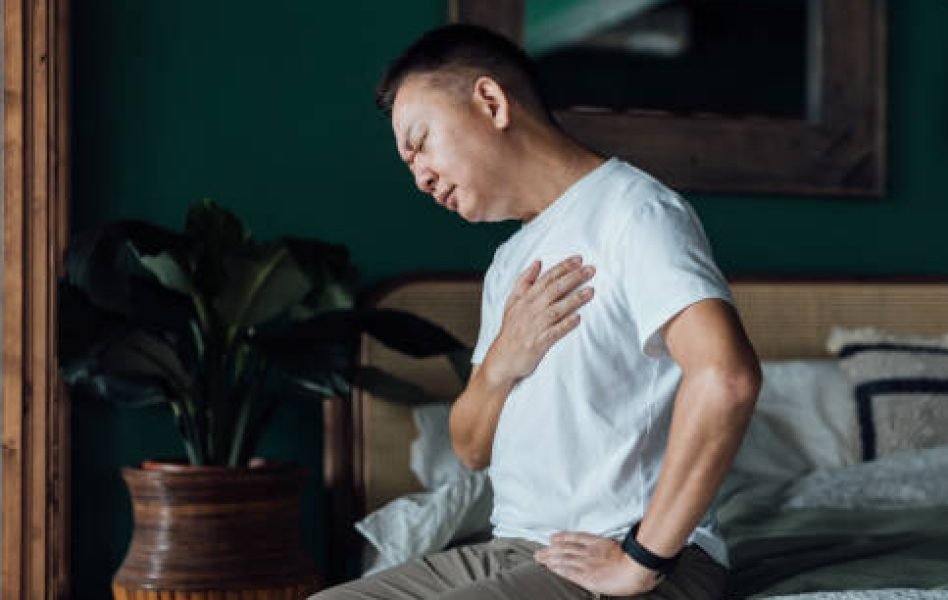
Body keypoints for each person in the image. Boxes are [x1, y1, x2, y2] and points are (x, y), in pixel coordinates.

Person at [312, 23, 761, 600]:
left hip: (634, 552)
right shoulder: (510, 262)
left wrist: (642, 558)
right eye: (408, 165)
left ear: (491, 103)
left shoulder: (636, 211)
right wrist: (502, 359)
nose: (419, 177)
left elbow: (726, 377)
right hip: (519, 547)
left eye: (421, 142)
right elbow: (471, 449)